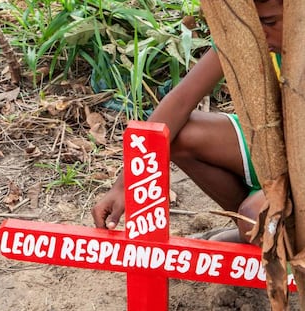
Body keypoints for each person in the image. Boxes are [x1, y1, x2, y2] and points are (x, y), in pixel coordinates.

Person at [91, 0, 283, 244]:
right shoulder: (247, 33)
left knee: (255, 219)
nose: (259, 32)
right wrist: (125, 184)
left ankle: (262, 233)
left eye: (270, 22)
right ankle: (252, 231)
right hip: (275, 143)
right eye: (254, 23)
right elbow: (181, 100)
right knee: (178, 134)